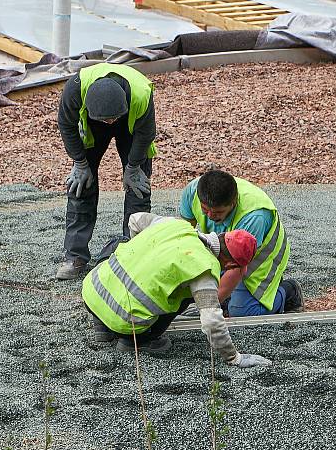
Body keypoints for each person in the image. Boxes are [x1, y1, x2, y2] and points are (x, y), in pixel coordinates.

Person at [82, 212, 272, 368]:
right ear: (230, 263)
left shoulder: (176, 225)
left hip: (91, 294)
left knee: (120, 243)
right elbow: (212, 322)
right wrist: (234, 358)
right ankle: (134, 341)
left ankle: (102, 325)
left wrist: (141, 255)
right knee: (185, 295)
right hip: (127, 325)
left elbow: (135, 219)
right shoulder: (203, 267)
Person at [56, 63, 156, 280]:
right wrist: (80, 163)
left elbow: (146, 133)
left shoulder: (140, 94)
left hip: (130, 124)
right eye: (106, 120)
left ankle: (133, 254)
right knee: (81, 185)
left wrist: (133, 167)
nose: (110, 123)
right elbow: (67, 125)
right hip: (92, 125)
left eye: (112, 120)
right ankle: (75, 256)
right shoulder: (74, 90)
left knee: (138, 188)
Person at [179, 169, 302, 317]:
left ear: (233, 202)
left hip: (260, 258)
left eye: (218, 213)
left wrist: (206, 307)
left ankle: (288, 292)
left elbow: (237, 269)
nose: (210, 216)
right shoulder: (193, 192)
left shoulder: (254, 217)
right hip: (225, 250)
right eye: (205, 210)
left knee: (242, 312)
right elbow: (184, 237)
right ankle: (227, 297)